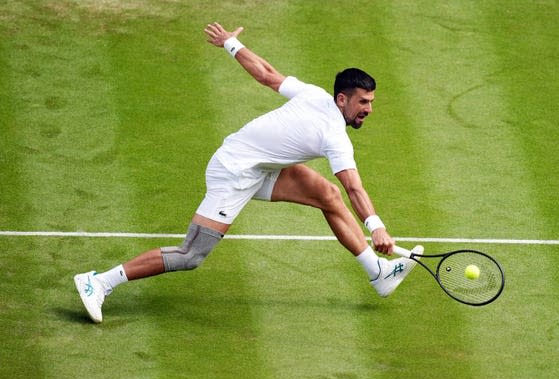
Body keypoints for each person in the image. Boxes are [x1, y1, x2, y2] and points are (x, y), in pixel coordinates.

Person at [74, 22, 422, 323]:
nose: (369, 110)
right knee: (190, 255)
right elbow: (355, 188)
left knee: (326, 195)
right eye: (364, 102)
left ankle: (378, 272)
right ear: (343, 99)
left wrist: (230, 42)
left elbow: (267, 74)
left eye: (372, 102)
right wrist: (376, 227)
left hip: (259, 166)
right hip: (233, 172)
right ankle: (99, 281)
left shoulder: (315, 95)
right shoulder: (335, 137)